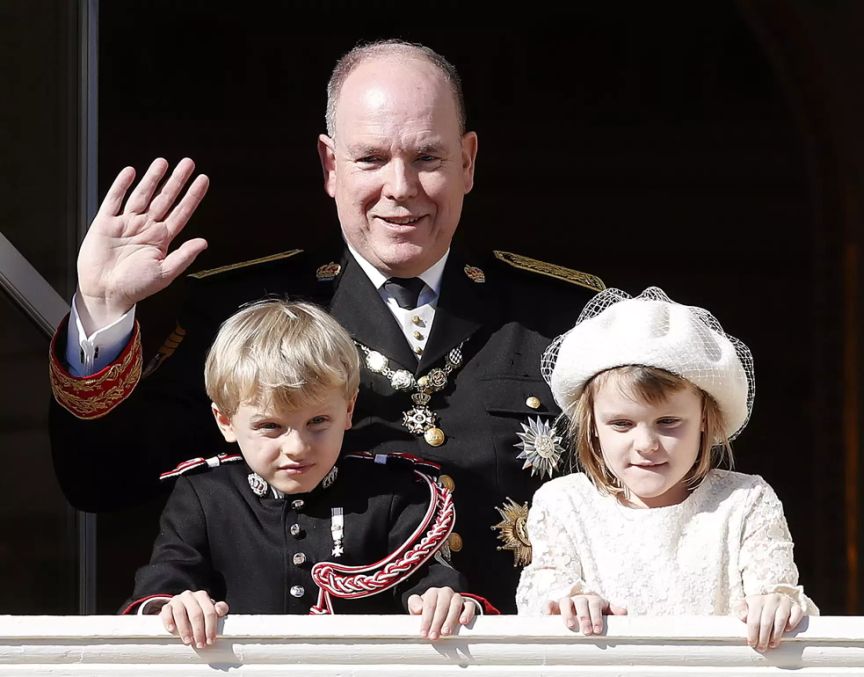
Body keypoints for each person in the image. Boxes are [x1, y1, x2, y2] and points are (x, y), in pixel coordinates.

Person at [48, 39, 603, 613]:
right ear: (330, 166)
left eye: (427, 158)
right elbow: (101, 481)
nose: (400, 187)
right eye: (371, 159)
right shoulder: (241, 312)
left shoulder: (566, 317)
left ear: (467, 162)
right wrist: (103, 309)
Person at [122, 299, 488, 645]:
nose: (297, 447)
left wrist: (441, 599)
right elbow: (164, 582)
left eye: (317, 421)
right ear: (226, 421)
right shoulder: (205, 495)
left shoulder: (393, 493)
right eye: (270, 426)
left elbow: (430, 580)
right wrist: (175, 604)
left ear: (348, 409)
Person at [515, 286, 818, 650]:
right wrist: (568, 604)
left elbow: (775, 593)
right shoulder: (564, 504)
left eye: (669, 422)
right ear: (592, 423)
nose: (646, 444)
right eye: (622, 424)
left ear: (705, 418)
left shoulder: (745, 502)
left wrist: (775, 606)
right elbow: (542, 593)